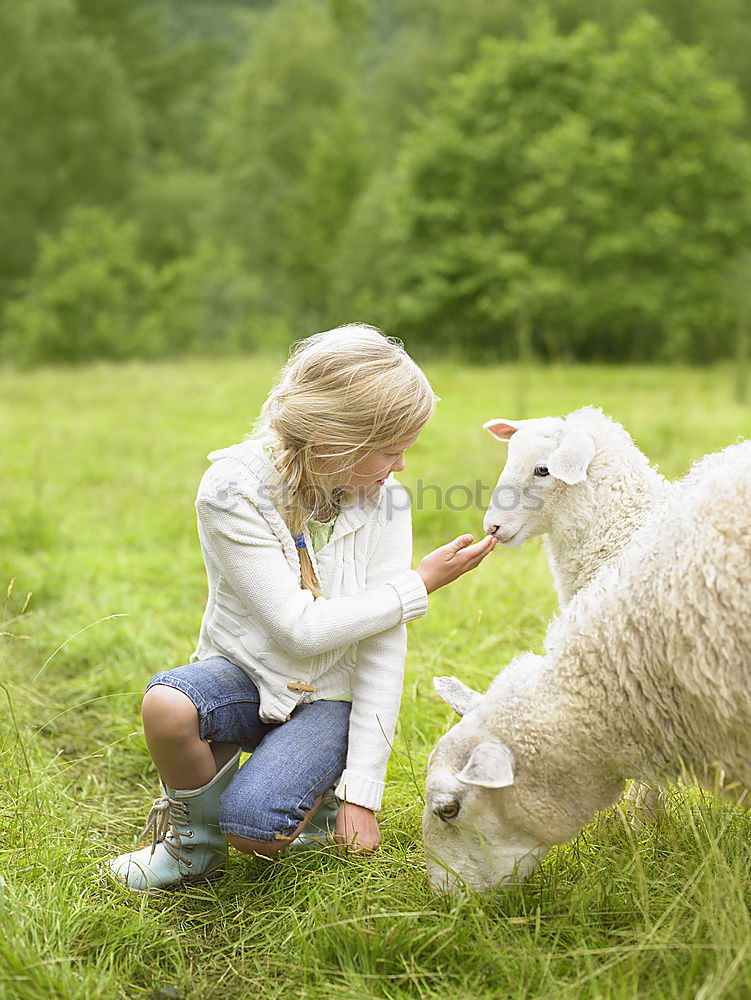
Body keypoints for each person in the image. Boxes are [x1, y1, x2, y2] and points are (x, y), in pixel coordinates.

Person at [108, 324, 496, 892]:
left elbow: (384, 655)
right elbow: (298, 630)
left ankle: (314, 798)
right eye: (392, 450)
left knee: (256, 828)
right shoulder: (233, 490)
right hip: (249, 676)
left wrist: (361, 793)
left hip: (330, 701)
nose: (402, 467)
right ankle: (192, 847)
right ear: (335, 442)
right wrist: (419, 586)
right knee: (168, 706)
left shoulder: (386, 502)